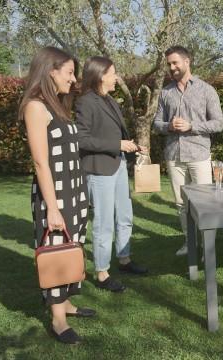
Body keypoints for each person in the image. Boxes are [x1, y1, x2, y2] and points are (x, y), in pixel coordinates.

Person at [21, 47, 94, 345]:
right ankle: (58, 321)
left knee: (71, 246)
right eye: (69, 72)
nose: (74, 79)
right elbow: (41, 162)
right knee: (55, 250)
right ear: (51, 70)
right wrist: (52, 206)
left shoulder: (59, 105)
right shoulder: (36, 107)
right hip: (55, 194)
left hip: (73, 190)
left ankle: (66, 304)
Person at [75, 56, 148, 293]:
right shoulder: (85, 102)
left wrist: (132, 146)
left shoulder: (109, 100)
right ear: (99, 75)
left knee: (125, 215)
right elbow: (82, 139)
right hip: (99, 169)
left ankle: (124, 259)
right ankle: (102, 272)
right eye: (113, 73)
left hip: (117, 165)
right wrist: (116, 144)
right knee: (104, 222)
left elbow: (115, 135)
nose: (117, 77)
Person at [153, 45, 223, 256]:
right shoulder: (166, 93)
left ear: (187, 61)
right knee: (180, 203)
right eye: (169, 64)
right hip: (174, 155)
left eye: (175, 63)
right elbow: (156, 123)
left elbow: (218, 123)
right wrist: (168, 126)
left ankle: (207, 245)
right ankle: (190, 242)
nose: (171, 67)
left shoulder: (206, 90)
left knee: (204, 203)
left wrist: (191, 125)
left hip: (199, 155)